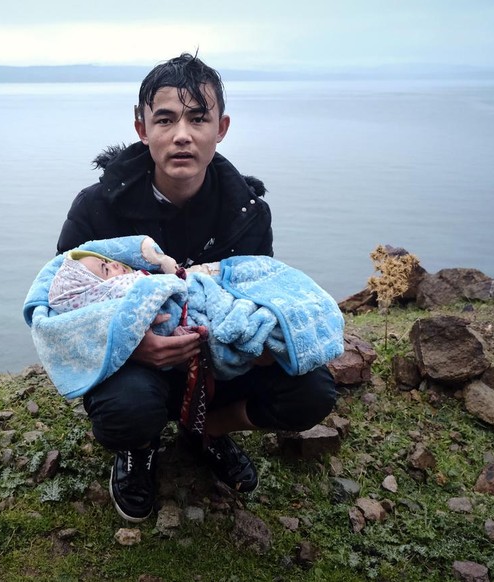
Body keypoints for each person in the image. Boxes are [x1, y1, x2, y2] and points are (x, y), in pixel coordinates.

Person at [51, 53, 337, 522]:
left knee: (312, 390)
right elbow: (60, 307)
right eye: (165, 119)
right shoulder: (96, 209)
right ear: (142, 128)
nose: (182, 134)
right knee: (125, 411)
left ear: (220, 128)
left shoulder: (246, 210)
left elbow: (263, 293)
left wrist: (261, 341)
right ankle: (139, 448)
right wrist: (134, 344)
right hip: (134, 365)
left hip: (220, 361)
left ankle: (206, 432)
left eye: (198, 118)